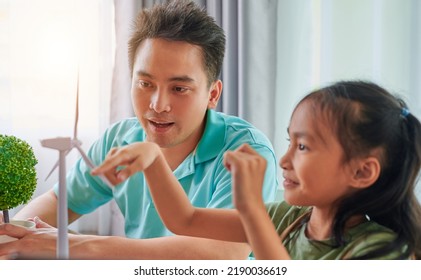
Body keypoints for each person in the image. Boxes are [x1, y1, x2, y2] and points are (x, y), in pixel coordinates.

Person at [0, 0, 278, 259]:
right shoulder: (121, 139)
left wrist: (73, 244)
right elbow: (59, 201)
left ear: (212, 94)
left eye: (179, 88)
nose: (158, 105)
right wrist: (13, 238)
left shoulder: (248, 152)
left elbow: (222, 254)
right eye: (145, 84)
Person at [90, 80, 421, 259]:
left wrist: (251, 210)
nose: (284, 159)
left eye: (303, 147)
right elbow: (186, 220)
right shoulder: (287, 220)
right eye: (288, 142)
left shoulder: (382, 252)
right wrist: (153, 159)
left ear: (362, 173)